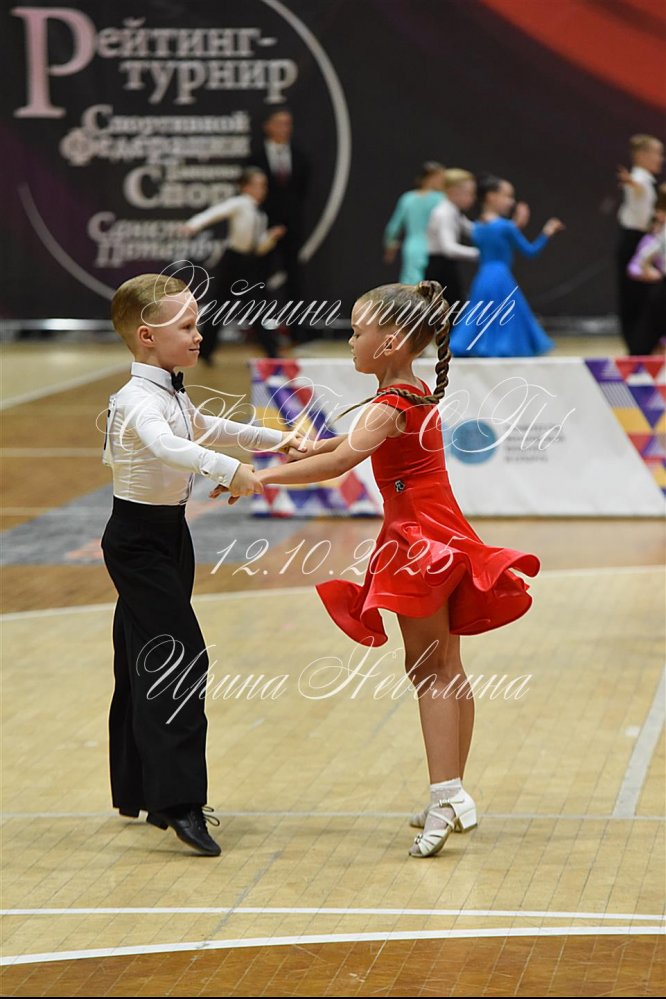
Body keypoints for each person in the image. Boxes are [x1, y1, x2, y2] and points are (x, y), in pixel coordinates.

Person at [211, 280, 541, 858]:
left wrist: (258, 477)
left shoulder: (390, 403)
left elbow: (342, 462)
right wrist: (310, 447)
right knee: (446, 665)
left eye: (357, 331)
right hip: (438, 528)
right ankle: (451, 790)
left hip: (418, 538)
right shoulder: (407, 393)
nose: (350, 340)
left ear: (390, 343)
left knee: (429, 670)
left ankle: (446, 794)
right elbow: (352, 443)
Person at [101, 273, 302, 856]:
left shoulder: (169, 391)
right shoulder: (137, 399)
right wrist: (230, 469)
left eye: (197, 324)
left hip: (169, 537)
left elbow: (205, 427)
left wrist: (278, 441)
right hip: (138, 542)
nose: (198, 335)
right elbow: (169, 447)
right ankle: (179, 801)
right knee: (181, 660)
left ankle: (143, 789)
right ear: (146, 336)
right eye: (186, 327)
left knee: (140, 659)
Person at [450, 175, 564, 357]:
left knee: (481, 314)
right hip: (501, 278)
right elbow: (530, 251)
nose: (511, 202)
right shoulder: (505, 227)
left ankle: (477, 345)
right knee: (506, 315)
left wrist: (515, 226)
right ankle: (501, 347)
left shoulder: (478, 227)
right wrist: (547, 232)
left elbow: (496, 237)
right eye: (507, 196)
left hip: (482, 278)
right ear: (491, 196)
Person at [180, 168, 286, 362]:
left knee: (253, 306)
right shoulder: (240, 203)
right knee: (221, 306)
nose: (262, 189)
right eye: (258, 185)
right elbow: (215, 212)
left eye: (264, 186)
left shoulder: (260, 214)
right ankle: (206, 350)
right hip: (232, 261)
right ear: (245, 187)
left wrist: (271, 238)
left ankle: (271, 351)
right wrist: (193, 224)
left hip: (249, 263)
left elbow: (258, 248)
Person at [248, 108, 311, 306]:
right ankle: (260, 321)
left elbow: (302, 191)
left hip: (292, 225)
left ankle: (295, 322)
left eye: (287, 124)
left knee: (294, 274)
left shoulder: (301, 158)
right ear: (267, 127)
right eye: (279, 123)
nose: (284, 128)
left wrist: (289, 219)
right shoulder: (255, 159)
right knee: (260, 274)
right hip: (263, 224)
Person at [616, 134, 664, 352]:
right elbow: (638, 186)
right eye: (657, 153)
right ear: (642, 155)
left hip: (642, 239)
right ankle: (638, 350)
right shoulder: (640, 178)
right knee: (634, 300)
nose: (661, 158)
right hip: (634, 241)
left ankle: (645, 348)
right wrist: (632, 183)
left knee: (644, 300)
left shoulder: (645, 180)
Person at [424, 168, 478, 318]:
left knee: (453, 308)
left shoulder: (454, 212)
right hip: (440, 268)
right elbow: (449, 248)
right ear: (453, 192)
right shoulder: (444, 213)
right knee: (449, 310)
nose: (473, 198)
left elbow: (473, 230)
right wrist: (479, 253)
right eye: (469, 193)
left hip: (446, 266)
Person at [384, 162, 446, 284]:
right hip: (435, 247)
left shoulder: (407, 198)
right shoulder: (441, 198)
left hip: (412, 247)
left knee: (410, 283)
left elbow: (393, 227)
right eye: (440, 178)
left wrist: (390, 244)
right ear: (431, 178)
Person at [626, 182, 666, 355]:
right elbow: (638, 262)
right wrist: (649, 272)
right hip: (659, 291)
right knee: (643, 344)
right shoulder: (657, 236)